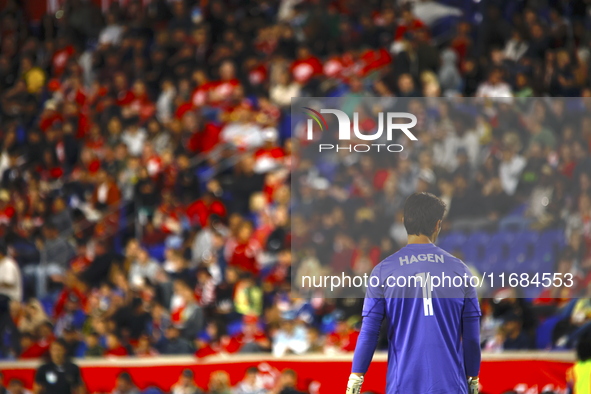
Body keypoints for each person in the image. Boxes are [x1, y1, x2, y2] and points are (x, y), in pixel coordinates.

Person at [346, 193, 481, 394]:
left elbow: (369, 332)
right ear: (437, 225)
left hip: (403, 386)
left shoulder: (383, 271)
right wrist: (473, 380)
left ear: (403, 222)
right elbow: (471, 337)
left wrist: (356, 378)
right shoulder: (460, 270)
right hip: (451, 386)